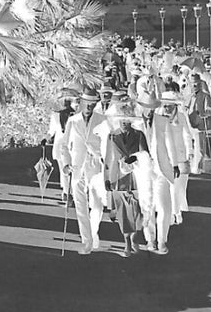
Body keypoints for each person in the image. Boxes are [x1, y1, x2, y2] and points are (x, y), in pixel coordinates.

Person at [55, 89, 110, 255]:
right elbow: (63, 145)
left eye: (93, 104)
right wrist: (66, 164)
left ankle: (93, 232)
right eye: (87, 104)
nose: (90, 107)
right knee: (80, 205)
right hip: (77, 167)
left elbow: (108, 144)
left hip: (96, 166)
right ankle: (86, 241)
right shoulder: (73, 121)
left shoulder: (102, 120)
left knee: (97, 203)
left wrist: (104, 160)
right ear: (81, 103)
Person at [103, 103, 152, 257]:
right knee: (123, 211)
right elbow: (107, 158)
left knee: (136, 210)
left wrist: (135, 158)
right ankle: (127, 243)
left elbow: (146, 155)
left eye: (128, 121)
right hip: (118, 177)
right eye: (122, 121)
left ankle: (135, 236)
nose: (125, 123)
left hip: (136, 177)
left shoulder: (139, 135)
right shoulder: (112, 136)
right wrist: (106, 178)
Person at [145, 90, 190, 252]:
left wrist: (176, 165)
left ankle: (162, 240)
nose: (148, 110)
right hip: (142, 171)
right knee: (147, 208)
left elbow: (170, 143)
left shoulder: (162, 122)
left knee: (164, 207)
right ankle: (150, 239)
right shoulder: (134, 122)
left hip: (162, 169)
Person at [159, 85, 200, 221]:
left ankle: (177, 210)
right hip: (166, 155)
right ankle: (171, 212)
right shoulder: (159, 118)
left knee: (179, 185)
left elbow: (187, 134)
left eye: (169, 106)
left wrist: (190, 152)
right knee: (169, 184)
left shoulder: (181, 117)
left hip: (181, 154)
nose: (167, 109)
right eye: (165, 106)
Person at [47, 86, 80, 207]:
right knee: (64, 170)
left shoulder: (76, 115)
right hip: (60, 145)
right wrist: (45, 139)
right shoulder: (56, 116)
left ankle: (74, 193)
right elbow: (52, 131)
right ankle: (67, 193)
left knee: (74, 170)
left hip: (74, 146)